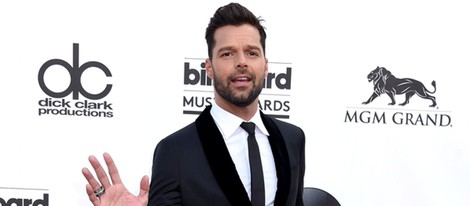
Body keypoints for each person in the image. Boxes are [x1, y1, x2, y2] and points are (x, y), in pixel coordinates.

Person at [82, 2, 305, 206]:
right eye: (227, 54)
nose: (242, 62)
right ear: (209, 68)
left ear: (265, 65)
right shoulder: (175, 151)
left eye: (252, 52)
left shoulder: (292, 139)